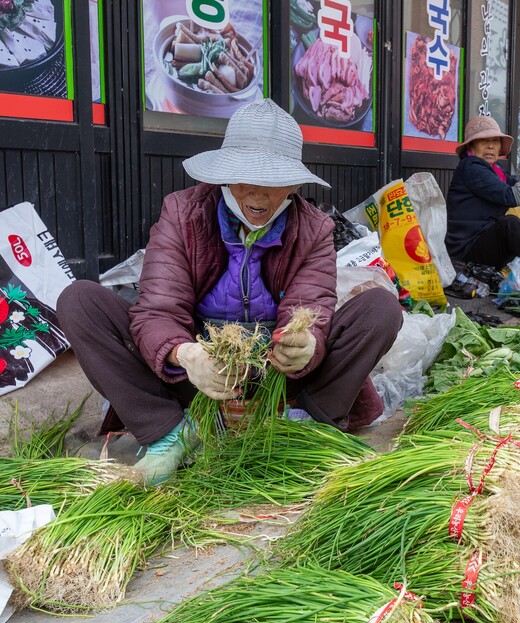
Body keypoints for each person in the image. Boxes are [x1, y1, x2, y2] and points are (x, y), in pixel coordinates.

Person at [56, 99, 403, 486]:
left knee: (380, 309)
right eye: (243, 177)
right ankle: (173, 432)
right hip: (201, 374)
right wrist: (185, 354)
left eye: (272, 181)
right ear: (223, 173)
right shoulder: (182, 214)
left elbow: (311, 305)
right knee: (80, 301)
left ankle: (305, 426)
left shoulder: (313, 228)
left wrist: (305, 344)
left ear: (293, 183)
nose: (257, 195)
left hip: (280, 378)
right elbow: (158, 309)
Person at [445, 116, 520, 274]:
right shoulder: (471, 167)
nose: (491, 146)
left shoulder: (494, 170)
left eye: (495, 141)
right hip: (467, 252)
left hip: (486, 242)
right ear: (471, 146)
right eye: (484, 141)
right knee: (510, 223)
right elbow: (511, 196)